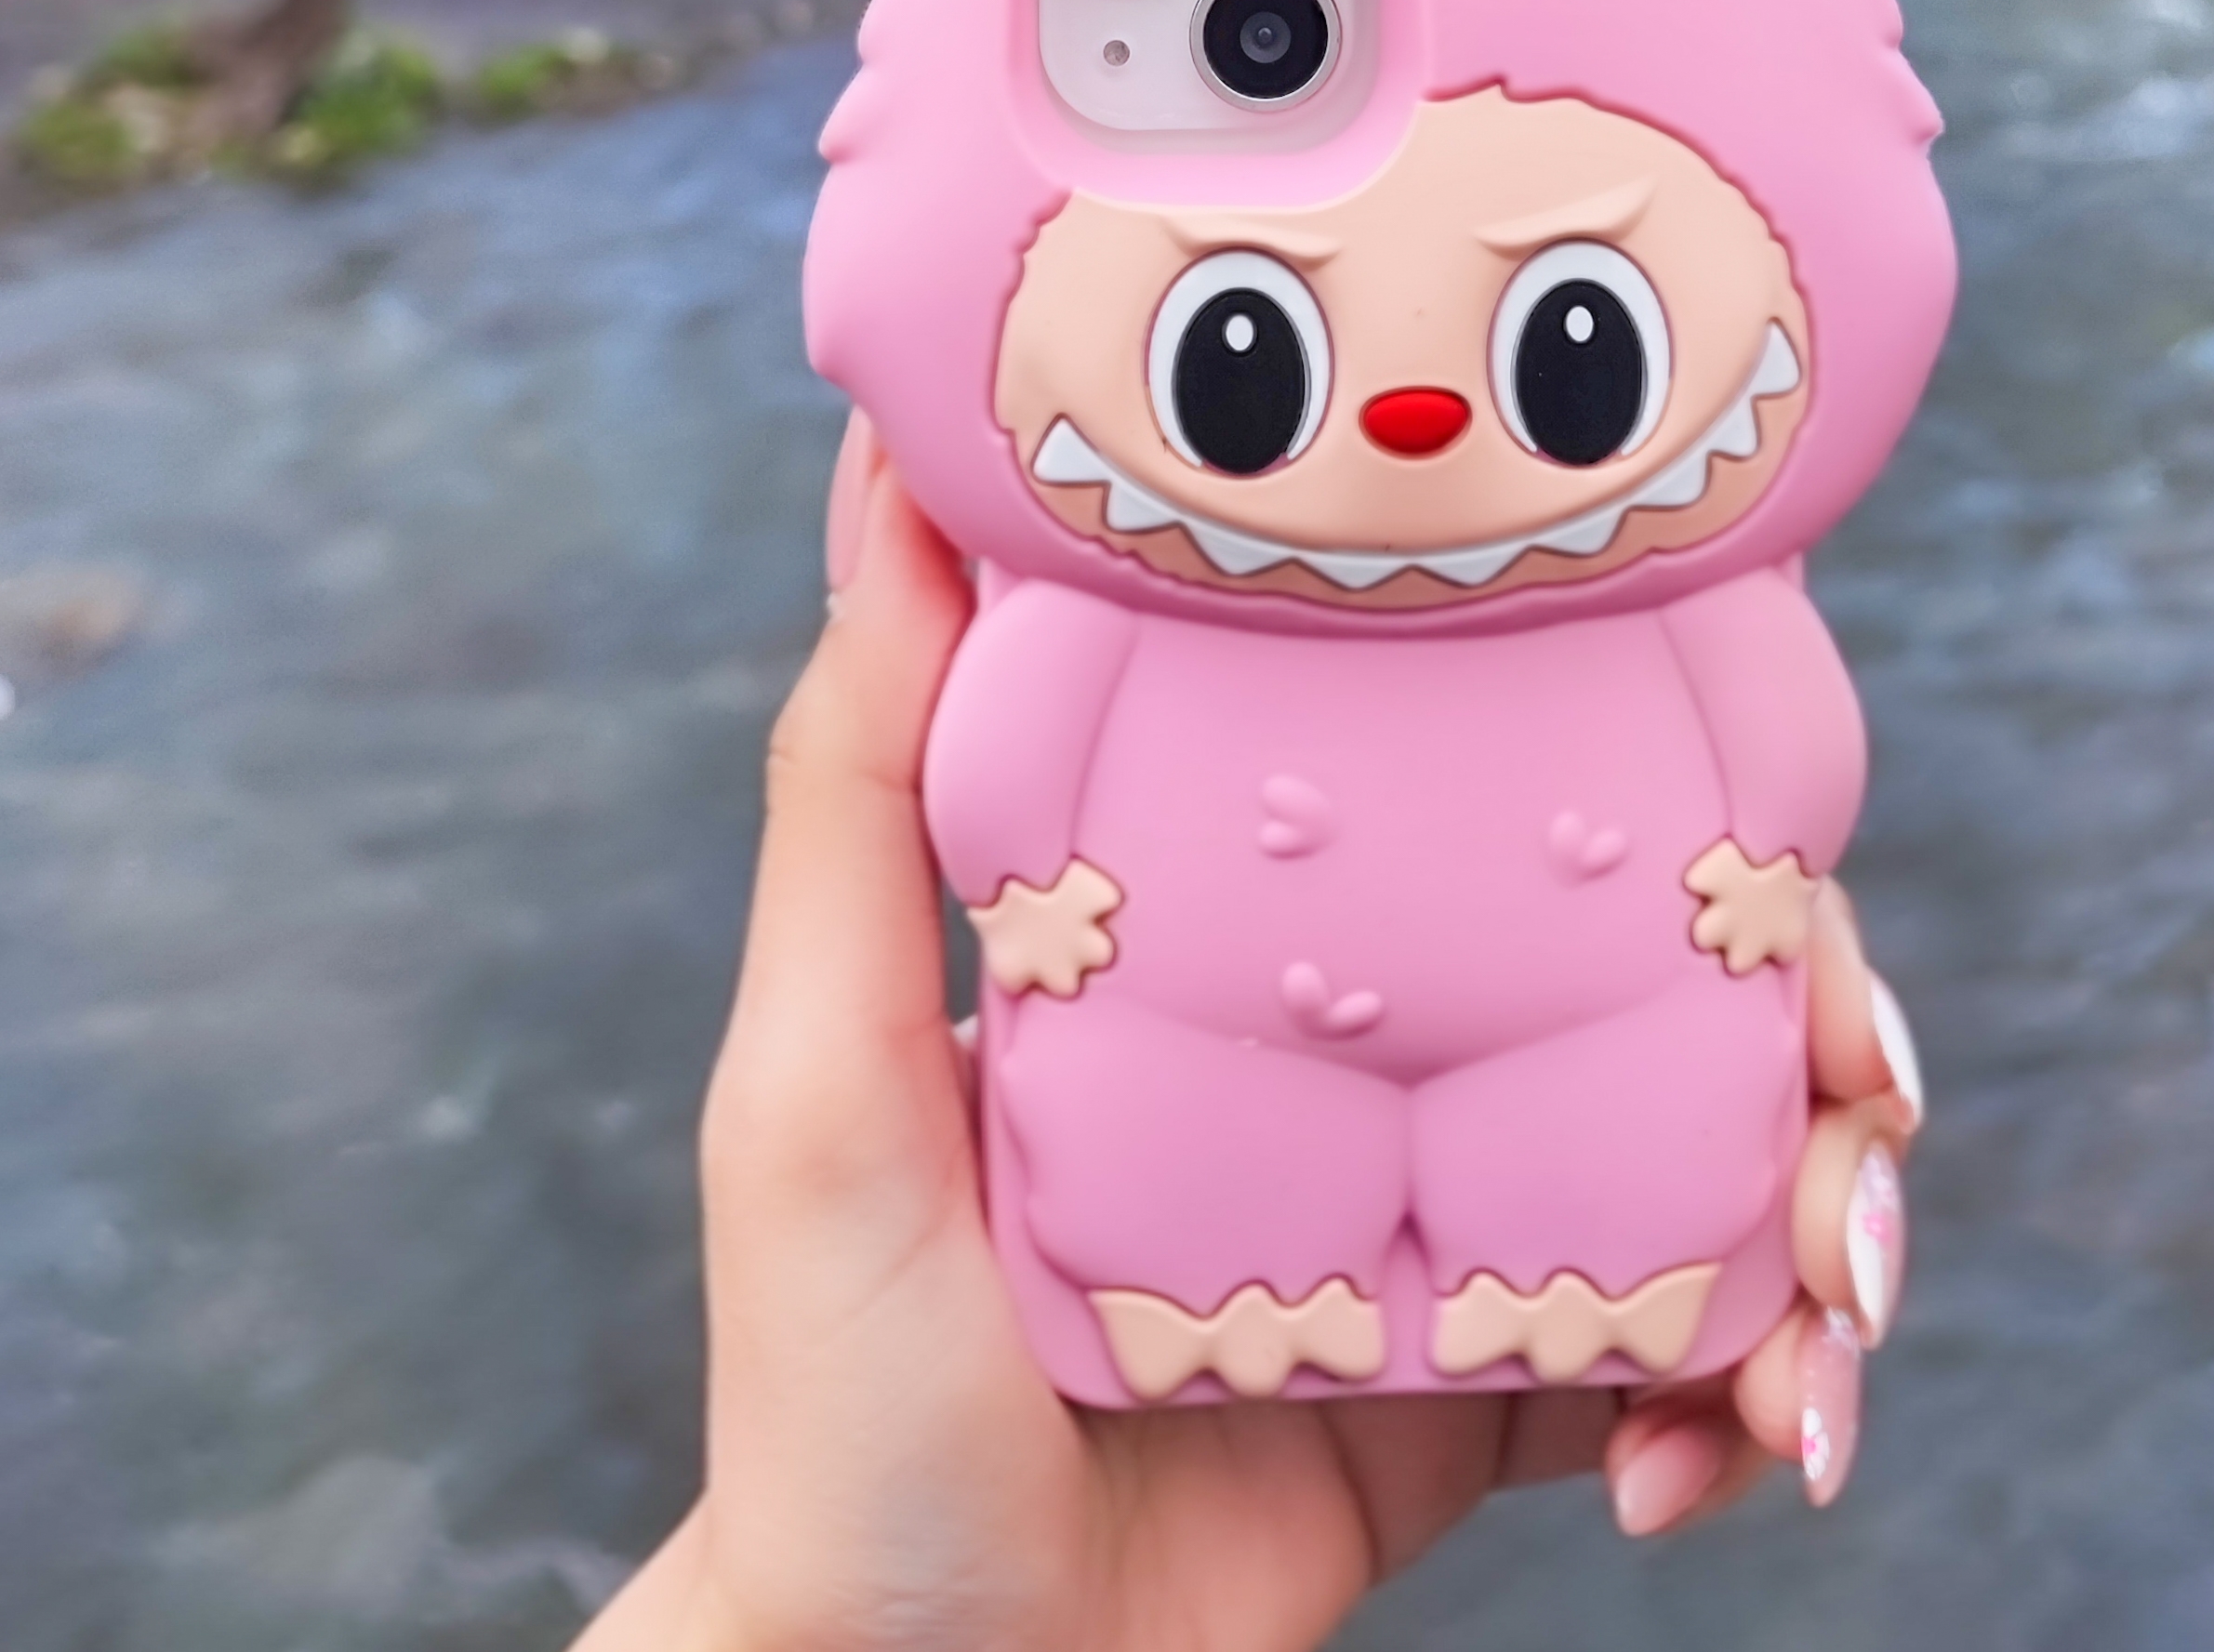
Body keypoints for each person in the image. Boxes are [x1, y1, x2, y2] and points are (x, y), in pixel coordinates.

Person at [576, 418, 1925, 1652]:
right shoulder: (1094, 574)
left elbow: (1786, 728)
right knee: (1174, 1128)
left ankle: (1581, 1264)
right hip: (1210, 1042)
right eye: (1242, 370)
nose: (1415, 416)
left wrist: (1773, 849)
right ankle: (1230, 1291)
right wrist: (1020, 874)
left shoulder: (1694, 567)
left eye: (1576, 364)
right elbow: (1011, 742)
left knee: (1640, 1116)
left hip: (1583, 1024)